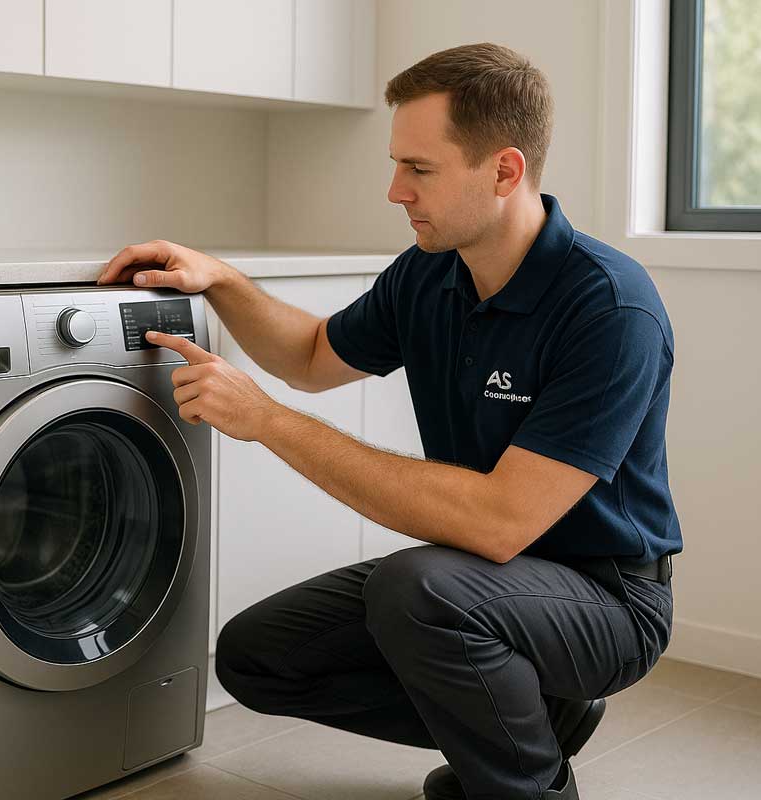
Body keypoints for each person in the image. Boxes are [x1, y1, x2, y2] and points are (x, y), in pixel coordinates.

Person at [97, 42, 680, 800]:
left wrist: (268, 423)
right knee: (255, 657)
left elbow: (503, 522)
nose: (395, 190)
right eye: (397, 164)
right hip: (489, 579)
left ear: (504, 170)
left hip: (607, 598)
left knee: (417, 588)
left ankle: (528, 785)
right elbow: (311, 354)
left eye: (420, 169)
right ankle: (532, 720)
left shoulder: (608, 306)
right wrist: (221, 281)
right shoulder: (431, 272)